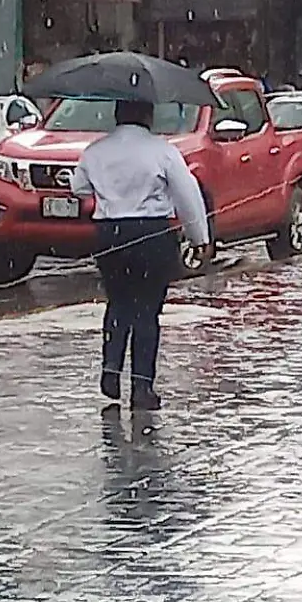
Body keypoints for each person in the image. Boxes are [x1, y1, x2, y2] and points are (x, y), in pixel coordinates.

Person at [71, 100, 212, 410]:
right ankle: (142, 388)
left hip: (110, 234)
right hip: (151, 234)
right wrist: (199, 238)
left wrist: (109, 191)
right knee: (147, 311)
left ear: (116, 115)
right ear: (148, 116)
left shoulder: (96, 150)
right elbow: (187, 194)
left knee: (118, 302)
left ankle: (111, 370)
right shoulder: (163, 151)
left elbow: (78, 187)